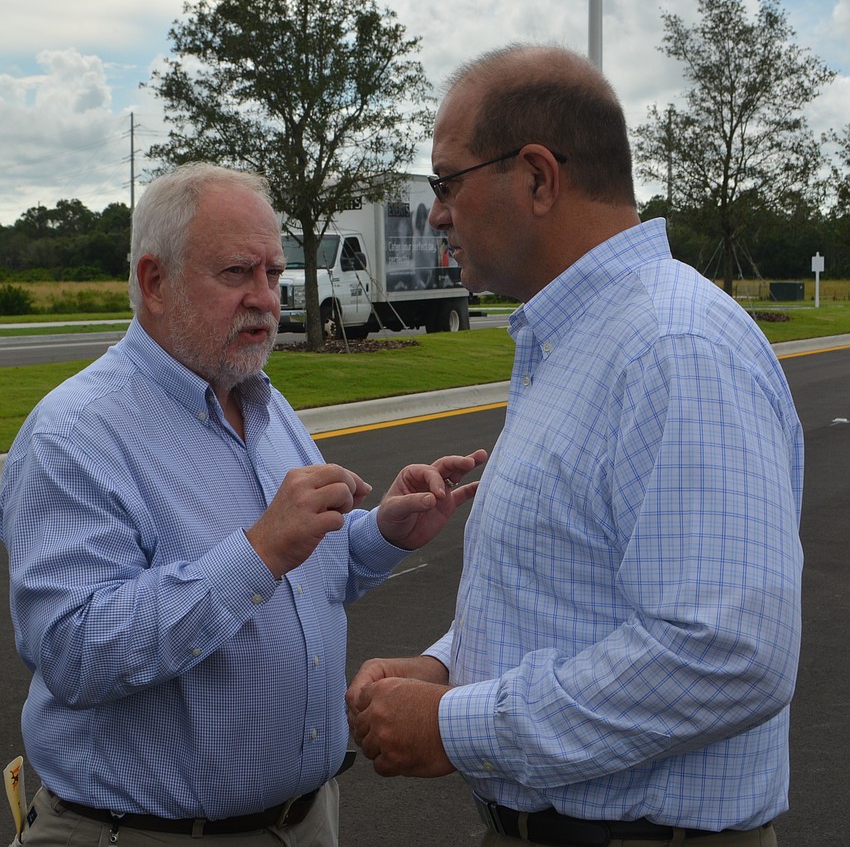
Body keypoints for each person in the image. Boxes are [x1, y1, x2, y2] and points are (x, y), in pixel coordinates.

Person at [347, 44, 804, 847]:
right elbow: (569, 588)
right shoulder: (581, 342)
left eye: (448, 181)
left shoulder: (673, 345)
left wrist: (457, 725)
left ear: (536, 177)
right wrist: (452, 668)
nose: (437, 213)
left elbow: (728, 653)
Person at [0, 162, 486, 846]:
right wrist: (256, 552)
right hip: (142, 831)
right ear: (154, 281)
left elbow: (308, 573)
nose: (268, 297)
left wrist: (382, 533)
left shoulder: (264, 403)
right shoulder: (74, 436)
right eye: (237, 273)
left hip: (305, 820)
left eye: (273, 270)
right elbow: (74, 653)